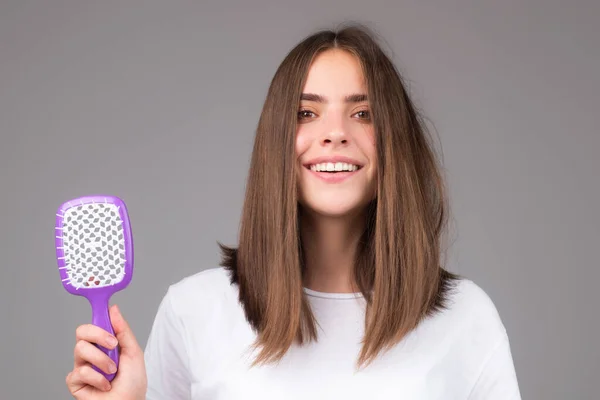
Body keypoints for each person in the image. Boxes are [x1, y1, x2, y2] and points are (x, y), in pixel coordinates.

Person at [65, 23, 521, 399]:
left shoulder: (466, 319)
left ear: (395, 142)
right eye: (307, 113)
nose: (335, 133)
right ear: (275, 141)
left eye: (363, 113)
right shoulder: (193, 312)